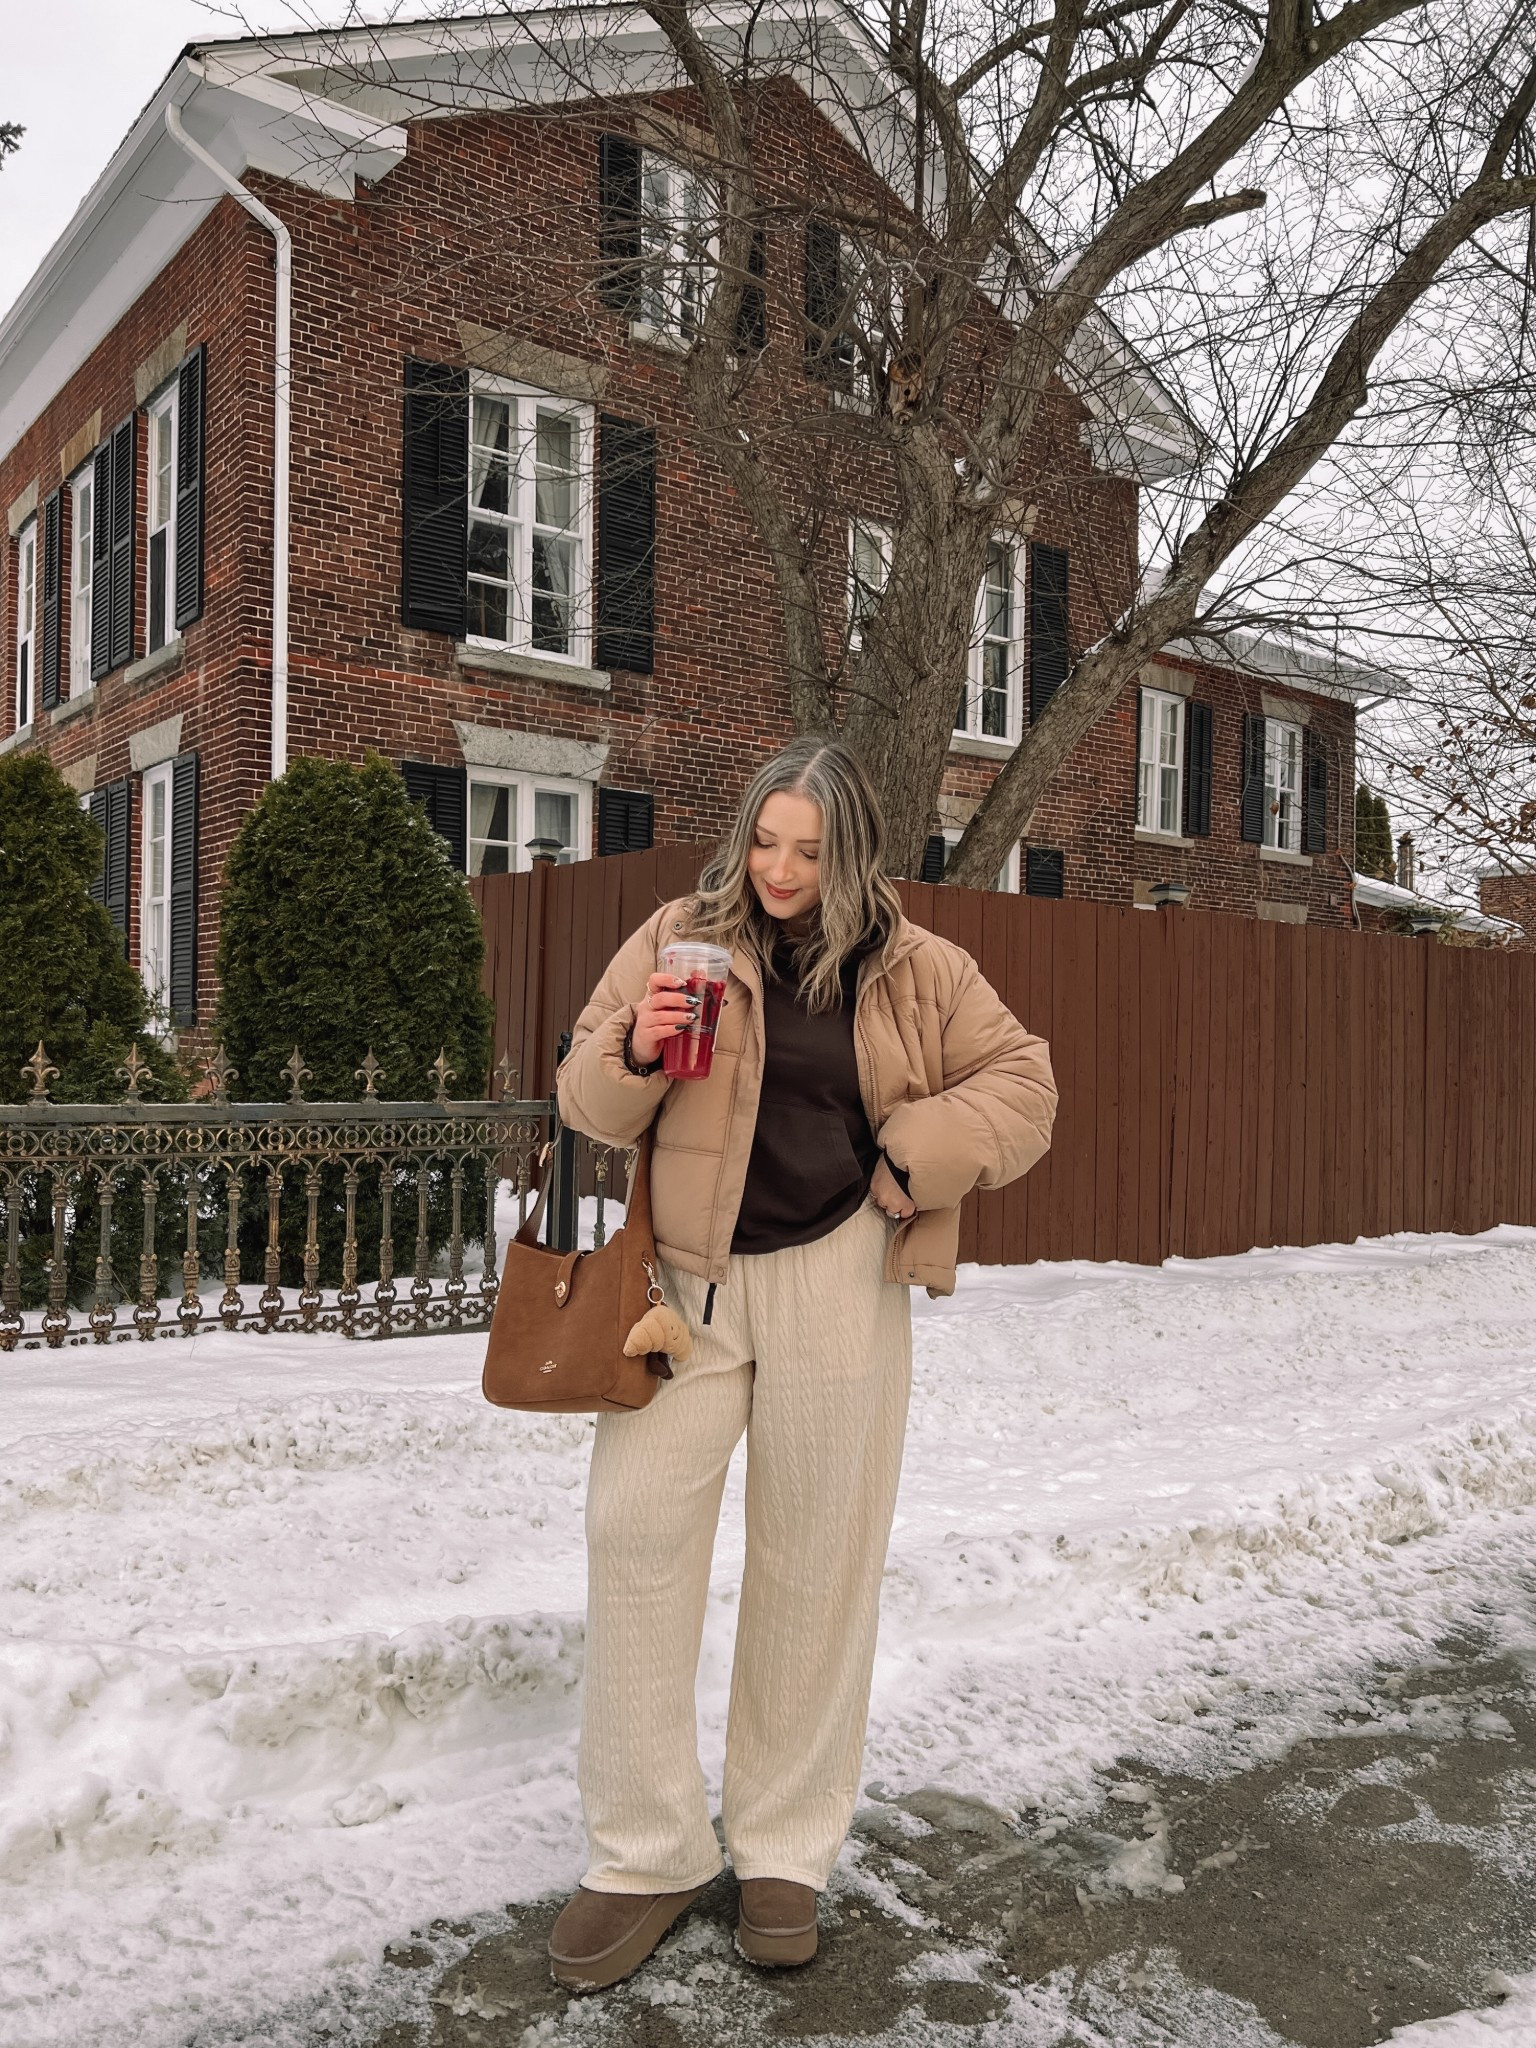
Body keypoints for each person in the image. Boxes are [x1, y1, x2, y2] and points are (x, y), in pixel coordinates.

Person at [549, 735, 1058, 1990]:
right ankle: (646, 1850)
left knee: (816, 1556)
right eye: (766, 840)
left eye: (811, 850)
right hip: (685, 1286)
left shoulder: (919, 966)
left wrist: (917, 1152)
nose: (780, 869)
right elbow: (582, 1096)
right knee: (633, 1530)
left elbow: (1025, 1085)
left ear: (856, 854)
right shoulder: (679, 935)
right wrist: (631, 1048)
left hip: (840, 1278)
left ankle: (783, 1845)